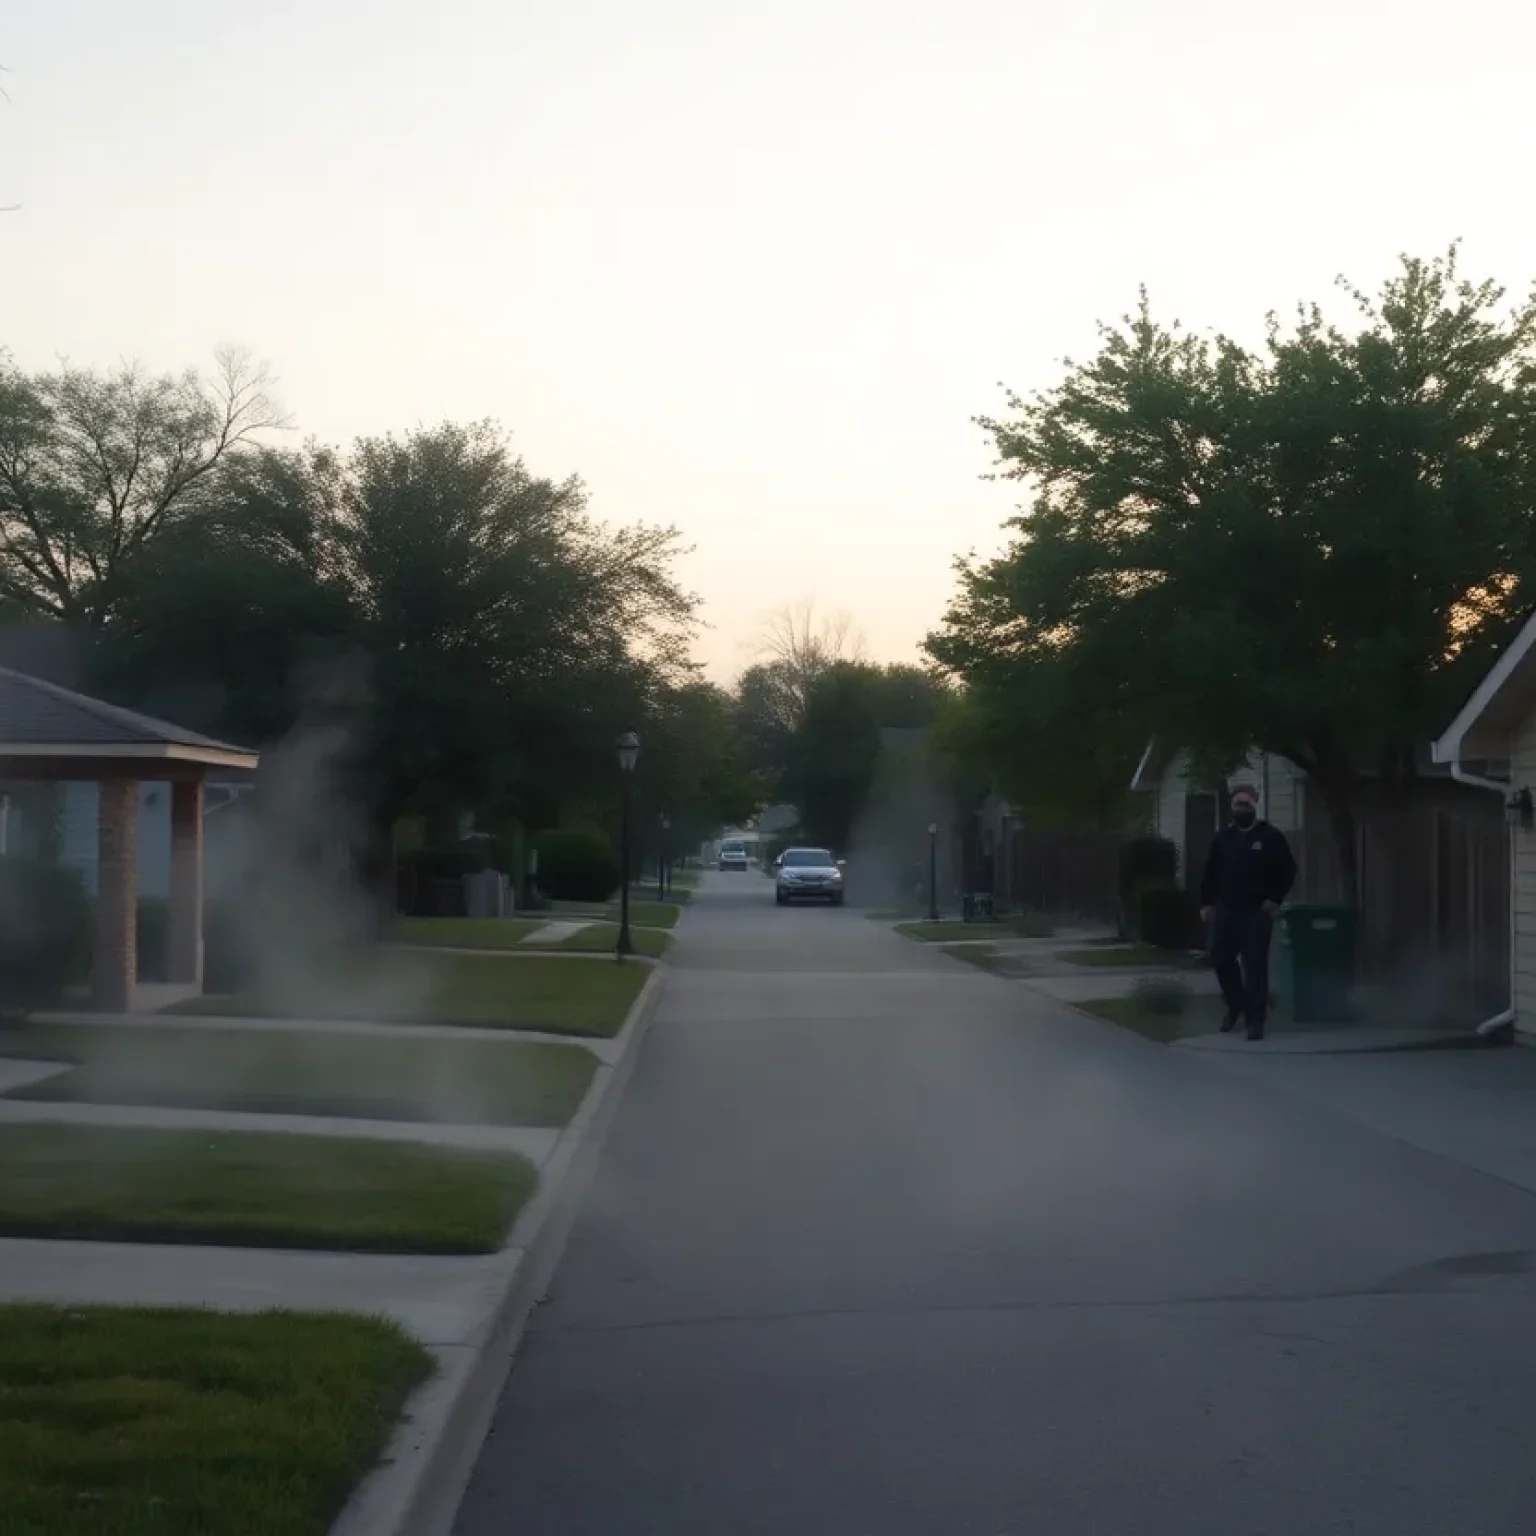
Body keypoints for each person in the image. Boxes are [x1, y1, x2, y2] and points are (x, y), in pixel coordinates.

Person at [1198, 784, 1296, 1041]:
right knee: (1220, 958)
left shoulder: (1270, 837)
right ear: (1231, 809)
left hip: (1256, 912)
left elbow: (1288, 871)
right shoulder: (1222, 839)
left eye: (1245, 804)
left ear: (1254, 806)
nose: (1241, 809)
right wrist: (1206, 904)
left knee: (1254, 966)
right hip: (1227, 910)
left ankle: (1255, 1022)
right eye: (1236, 805)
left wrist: (1275, 899)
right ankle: (1236, 1004)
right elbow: (1209, 874)